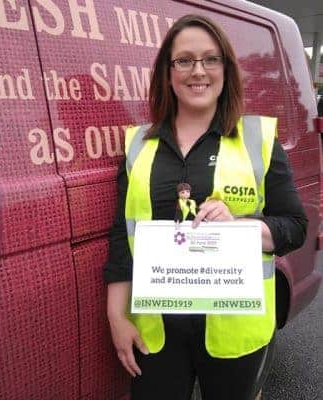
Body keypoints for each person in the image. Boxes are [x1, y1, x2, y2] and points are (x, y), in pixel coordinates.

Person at [103, 14, 308, 400]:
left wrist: (243, 229)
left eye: (211, 59)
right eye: (184, 60)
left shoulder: (258, 139)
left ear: (226, 70)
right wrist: (117, 315)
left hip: (234, 330)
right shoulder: (138, 147)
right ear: (167, 72)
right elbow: (121, 237)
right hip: (156, 330)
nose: (198, 71)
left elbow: (294, 226)